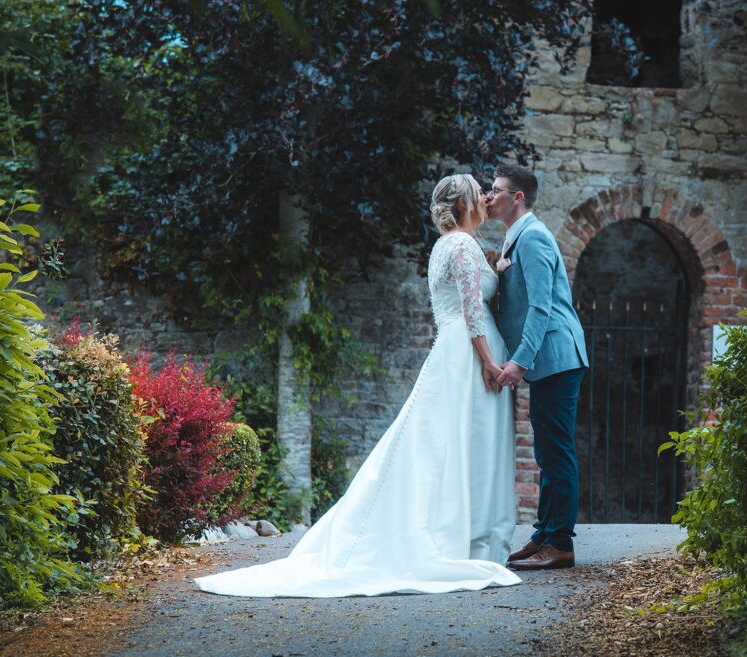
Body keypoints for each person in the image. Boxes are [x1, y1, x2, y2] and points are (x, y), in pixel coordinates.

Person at [195, 174, 520, 597]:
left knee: (453, 443)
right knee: (460, 443)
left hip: (458, 350)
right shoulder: (459, 244)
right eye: (478, 191)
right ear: (464, 204)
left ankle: (471, 535)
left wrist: (496, 268)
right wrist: (490, 362)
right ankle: (465, 538)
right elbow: (473, 310)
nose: (485, 194)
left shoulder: (455, 244)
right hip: (467, 354)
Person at [486, 165, 588, 571]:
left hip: (557, 358)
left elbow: (541, 308)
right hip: (548, 362)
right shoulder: (518, 238)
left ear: (518, 198)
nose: (488, 196)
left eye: (495, 190)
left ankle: (561, 543)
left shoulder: (534, 238)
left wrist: (518, 361)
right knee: (546, 449)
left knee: (556, 450)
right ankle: (544, 534)